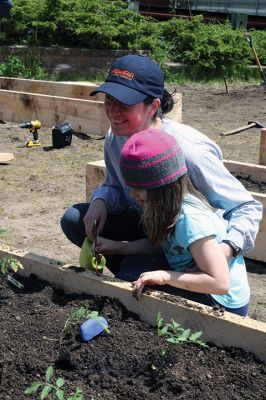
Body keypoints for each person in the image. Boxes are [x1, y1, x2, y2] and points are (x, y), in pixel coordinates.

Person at [61, 54, 262, 275]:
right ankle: (131, 273)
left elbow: (246, 207)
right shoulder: (116, 137)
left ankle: (143, 275)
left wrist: (228, 249)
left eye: (124, 104)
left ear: (153, 105)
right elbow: (116, 186)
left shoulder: (187, 151)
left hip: (187, 241)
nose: (113, 111)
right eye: (109, 100)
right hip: (151, 228)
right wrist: (101, 200)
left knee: (132, 271)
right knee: (74, 219)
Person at [93, 129, 250, 316]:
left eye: (138, 188)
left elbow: (220, 283)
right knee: (130, 265)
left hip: (222, 303)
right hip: (202, 285)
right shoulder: (161, 206)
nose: (133, 194)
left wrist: (165, 276)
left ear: (161, 186)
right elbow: (163, 247)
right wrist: (118, 247)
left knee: (129, 276)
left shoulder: (191, 220)